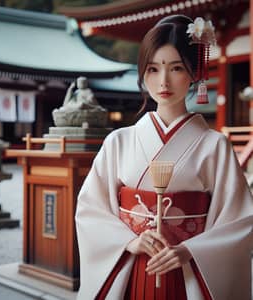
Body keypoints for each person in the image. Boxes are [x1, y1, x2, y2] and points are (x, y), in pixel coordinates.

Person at [75, 14, 253, 300]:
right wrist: (129, 241)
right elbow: (90, 210)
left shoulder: (215, 146)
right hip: (133, 267)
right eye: (153, 69)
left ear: (195, 72)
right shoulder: (118, 142)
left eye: (176, 68)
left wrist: (189, 250)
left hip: (190, 270)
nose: (163, 81)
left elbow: (239, 220)